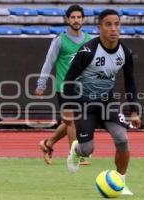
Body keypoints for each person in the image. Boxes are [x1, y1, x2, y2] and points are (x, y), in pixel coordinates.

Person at [63, 9, 141, 195]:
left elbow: (130, 82)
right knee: (87, 149)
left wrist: (134, 111)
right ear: (99, 28)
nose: (114, 29)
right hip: (84, 104)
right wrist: (67, 108)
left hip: (108, 102)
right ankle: (77, 148)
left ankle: (121, 182)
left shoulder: (125, 52)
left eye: (117, 24)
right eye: (108, 24)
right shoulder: (87, 51)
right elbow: (69, 79)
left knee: (122, 139)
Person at [35, 4, 91, 165]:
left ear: (83, 19)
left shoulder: (89, 40)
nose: (76, 20)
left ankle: (48, 143)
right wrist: (41, 83)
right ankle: (76, 155)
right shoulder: (60, 40)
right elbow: (48, 62)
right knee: (71, 121)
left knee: (71, 122)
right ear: (67, 19)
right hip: (64, 87)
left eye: (79, 17)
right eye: (73, 17)